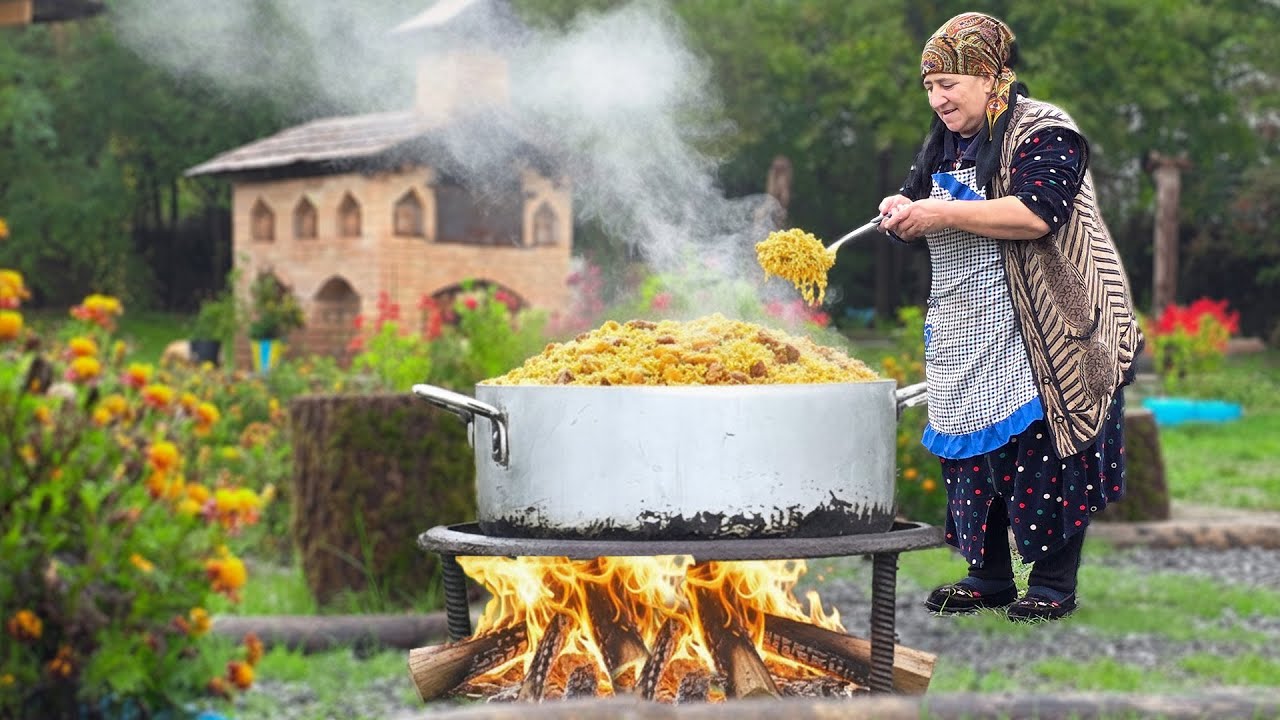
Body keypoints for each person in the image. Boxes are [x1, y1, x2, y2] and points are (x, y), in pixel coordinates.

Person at [877, 12, 1143, 622]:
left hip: (1050, 319)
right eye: (930, 86)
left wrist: (939, 214)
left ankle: (1051, 585)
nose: (938, 98)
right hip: (968, 321)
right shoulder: (945, 141)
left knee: (1046, 445)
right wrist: (902, 209)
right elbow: (921, 204)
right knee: (972, 458)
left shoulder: (1045, 130)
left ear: (989, 76)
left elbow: (1036, 214)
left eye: (949, 83)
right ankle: (988, 576)